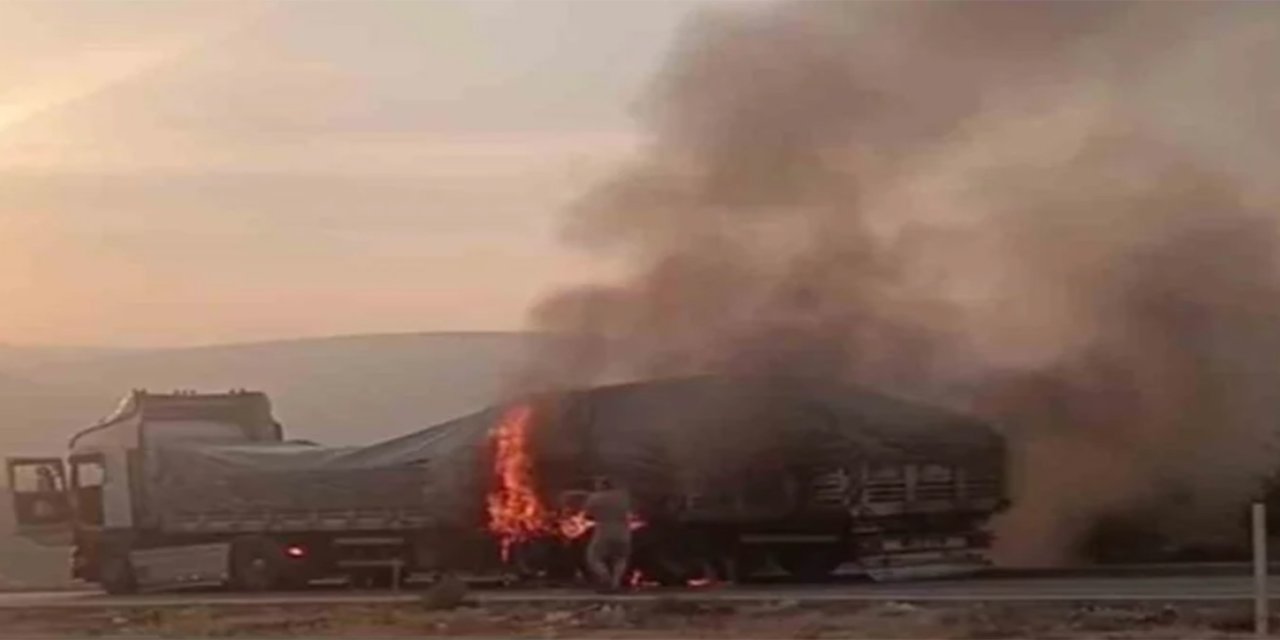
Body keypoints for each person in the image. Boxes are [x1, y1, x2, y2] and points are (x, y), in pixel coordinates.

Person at [582, 476, 631, 591]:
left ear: (601, 485)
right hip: (623, 532)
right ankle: (616, 582)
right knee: (621, 558)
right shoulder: (623, 496)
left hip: (604, 531)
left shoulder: (594, 498)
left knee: (594, 557)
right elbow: (629, 511)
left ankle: (605, 577)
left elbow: (587, 516)